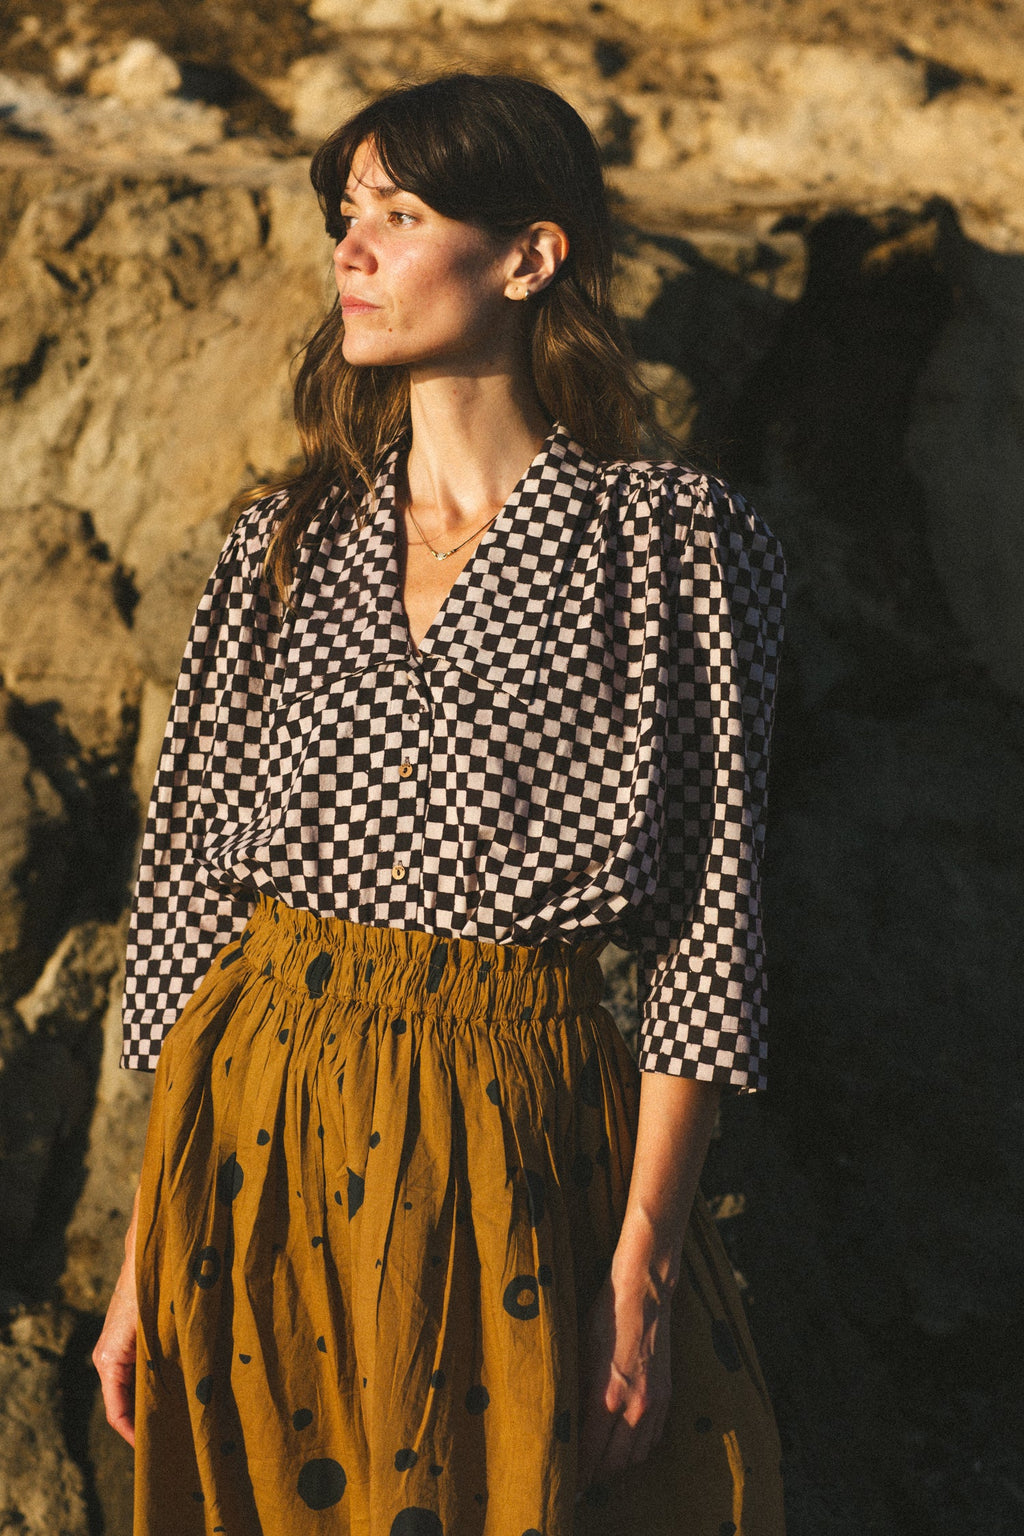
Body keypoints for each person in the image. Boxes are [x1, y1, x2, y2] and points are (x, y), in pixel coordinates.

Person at [93, 72, 787, 1536]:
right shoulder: (282, 544)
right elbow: (187, 898)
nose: (350, 251)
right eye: (346, 216)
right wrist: (145, 1249)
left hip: (508, 1136)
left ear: (531, 258)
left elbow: (707, 935)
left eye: (399, 216)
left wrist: (642, 1274)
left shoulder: (673, 551)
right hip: (255, 1119)